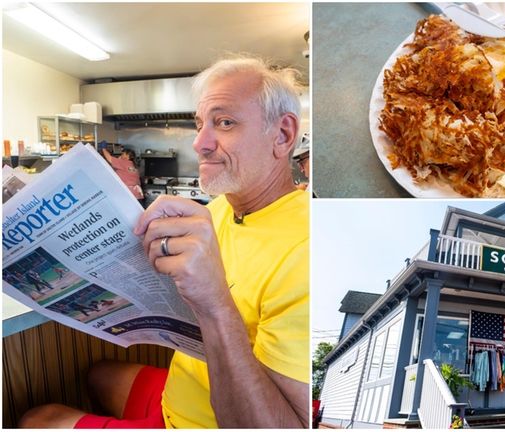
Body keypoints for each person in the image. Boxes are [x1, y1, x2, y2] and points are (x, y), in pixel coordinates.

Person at [19, 56, 309, 428]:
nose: (199, 144)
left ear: (283, 135)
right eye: (200, 124)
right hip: (179, 389)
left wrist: (214, 304)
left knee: (37, 418)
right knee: (98, 372)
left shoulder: (305, 252)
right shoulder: (218, 209)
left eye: (224, 123)